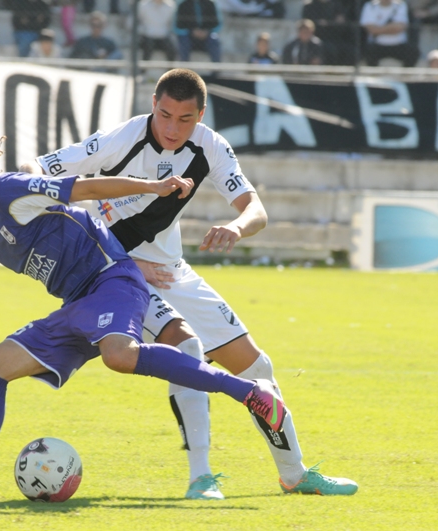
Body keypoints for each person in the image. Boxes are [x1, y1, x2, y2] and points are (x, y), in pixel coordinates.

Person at [22, 69, 358, 499]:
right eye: (164, 115)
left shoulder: (211, 146)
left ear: (200, 115)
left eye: (184, 119)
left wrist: (237, 228)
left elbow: (254, 207)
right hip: (118, 277)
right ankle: (201, 477)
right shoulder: (118, 141)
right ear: (153, 106)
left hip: (173, 271)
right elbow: (35, 171)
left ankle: (294, 474)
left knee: (258, 368)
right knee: (187, 347)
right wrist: (116, 257)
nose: (171, 128)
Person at [0, 121, 286, 500]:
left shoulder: (6, 192)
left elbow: (86, 188)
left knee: (119, 355)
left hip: (110, 280)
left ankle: (251, 393)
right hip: (77, 303)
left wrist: (154, 187)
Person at [359, 0, 419, 66]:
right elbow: (370, 29)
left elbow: (400, 27)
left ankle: (406, 75)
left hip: (398, 45)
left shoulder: (400, 4)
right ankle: (373, 75)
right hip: (377, 45)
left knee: (413, 52)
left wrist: (378, 29)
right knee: (368, 52)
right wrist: (392, 28)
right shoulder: (370, 5)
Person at [302, 0, 355, 64]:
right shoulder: (309, 6)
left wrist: (328, 23)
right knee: (329, 49)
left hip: (335, 37)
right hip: (317, 36)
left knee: (350, 49)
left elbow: (340, 22)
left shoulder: (336, 5)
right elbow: (308, 23)